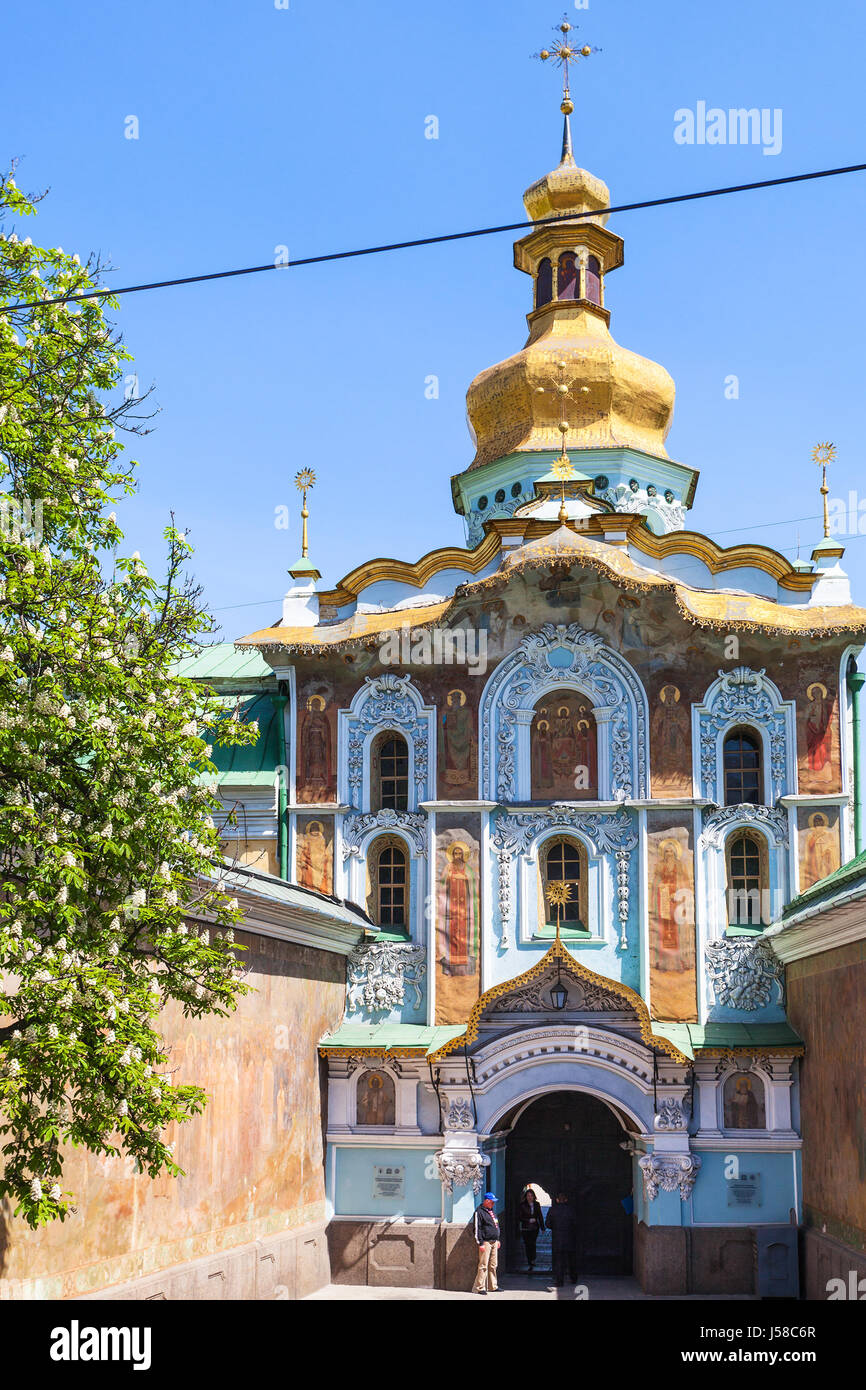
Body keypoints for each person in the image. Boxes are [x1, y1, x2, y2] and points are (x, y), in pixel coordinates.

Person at [545, 1192, 578, 1287]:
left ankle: (560, 1281)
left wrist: (555, 1227)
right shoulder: (571, 1210)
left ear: (557, 1200)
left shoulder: (553, 1210)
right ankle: (573, 1278)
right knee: (571, 1260)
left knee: (559, 1260)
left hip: (558, 1238)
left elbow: (547, 1223)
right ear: (566, 1200)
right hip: (570, 1238)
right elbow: (575, 1223)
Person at [472, 1192, 501, 1294]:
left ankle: (493, 1286)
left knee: (493, 1265)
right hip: (486, 1242)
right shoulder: (479, 1212)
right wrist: (480, 1243)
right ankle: (480, 1287)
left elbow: (496, 1225)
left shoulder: (491, 1211)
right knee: (483, 1265)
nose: (493, 1204)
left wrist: (497, 1239)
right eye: (492, 1202)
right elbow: (477, 1228)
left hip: (494, 1241)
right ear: (487, 1201)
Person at [518, 1186, 545, 1273]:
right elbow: (519, 1217)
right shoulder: (522, 1205)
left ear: (534, 1196)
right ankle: (529, 1260)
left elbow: (540, 1216)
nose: (530, 1197)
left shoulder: (537, 1204)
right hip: (525, 1228)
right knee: (527, 1244)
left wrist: (542, 1227)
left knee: (532, 1243)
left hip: (534, 1228)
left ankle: (533, 1259)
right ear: (526, 1196)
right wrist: (528, 1220)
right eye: (528, 1196)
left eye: (531, 1195)